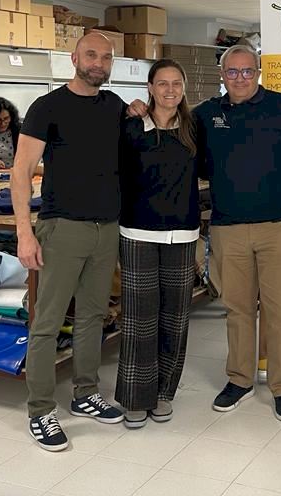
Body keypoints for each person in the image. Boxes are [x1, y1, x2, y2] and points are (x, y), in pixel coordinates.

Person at [11, 31, 126, 451]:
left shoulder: (114, 106)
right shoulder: (48, 107)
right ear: (74, 58)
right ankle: (40, 410)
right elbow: (20, 171)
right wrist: (24, 232)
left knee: (93, 316)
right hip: (62, 228)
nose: (99, 63)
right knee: (47, 322)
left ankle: (85, 393)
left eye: (106, 57)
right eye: (91, 55)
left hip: (106, 228)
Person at [194, 44, 281, 423]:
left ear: (258, 72)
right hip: (227, 229)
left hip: (278, 227)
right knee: (238, 309)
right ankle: (239, 379)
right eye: (232, 72)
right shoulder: (206, 115)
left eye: (247, 71)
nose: (240, 78)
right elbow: (177, 143)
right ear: (222, 75)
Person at [116, 59, 199, 429]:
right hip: (138, 233)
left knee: (175, 319)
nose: (170, 90)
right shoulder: (132, 127)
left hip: (182, 234)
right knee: (139, 320)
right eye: (162, 83)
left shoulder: (194, 128)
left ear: (183, 88)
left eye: (176, 83)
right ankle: (136, 397)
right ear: (149, 87)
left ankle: (164, 392)